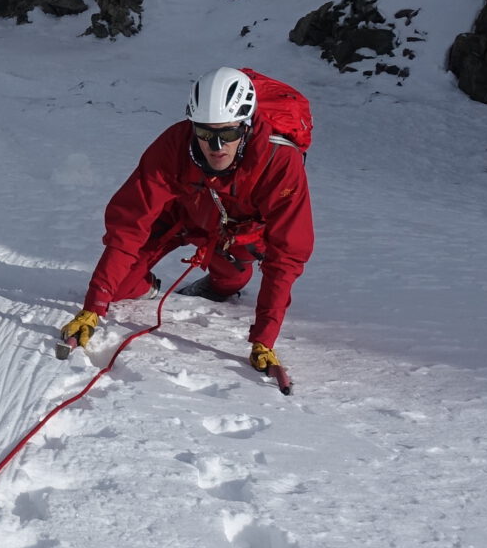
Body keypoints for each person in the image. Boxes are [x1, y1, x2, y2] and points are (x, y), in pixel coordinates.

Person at [58, 67, 314, 386]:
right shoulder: (174, 145)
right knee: (120, 286)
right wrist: (94, 305)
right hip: (181, 218)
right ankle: (149, 285)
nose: (216, 145)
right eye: (206, 134)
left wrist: (264, 339)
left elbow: (287, 254)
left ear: (246, 127)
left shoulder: (280, 162)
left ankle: (224, 284)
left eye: (228, 134)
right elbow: (130, 222)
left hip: (234, 236)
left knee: (231, 277)